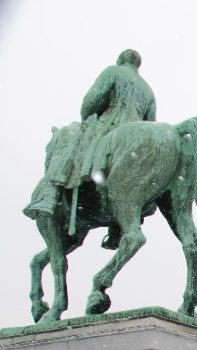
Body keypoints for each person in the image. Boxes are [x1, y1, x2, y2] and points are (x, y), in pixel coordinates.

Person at [25, 49, 156, 247]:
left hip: (112, 123)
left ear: (121, 60)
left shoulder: (113, 71)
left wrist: (90, 115)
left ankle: (49, 194)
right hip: (136, 135)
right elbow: (150, 125)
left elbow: (90, 103)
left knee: (71, 139)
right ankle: (120, 228)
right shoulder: (148, 90)